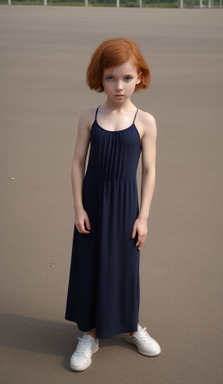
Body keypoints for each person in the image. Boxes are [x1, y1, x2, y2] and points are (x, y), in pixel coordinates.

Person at [65, 37, 161, 372]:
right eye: (110, 78)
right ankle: (89, 334)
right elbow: (78, 163)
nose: (118, 86)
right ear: (99, 77)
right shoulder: (89, 116)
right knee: (90, 265)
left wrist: (143, 216)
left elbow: (149, 171)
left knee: (125, 268)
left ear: (139, 77)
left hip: (125, 208)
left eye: (126, 78)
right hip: (92, 204)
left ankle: (131, 326)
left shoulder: (145, 121)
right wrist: (78, 207)